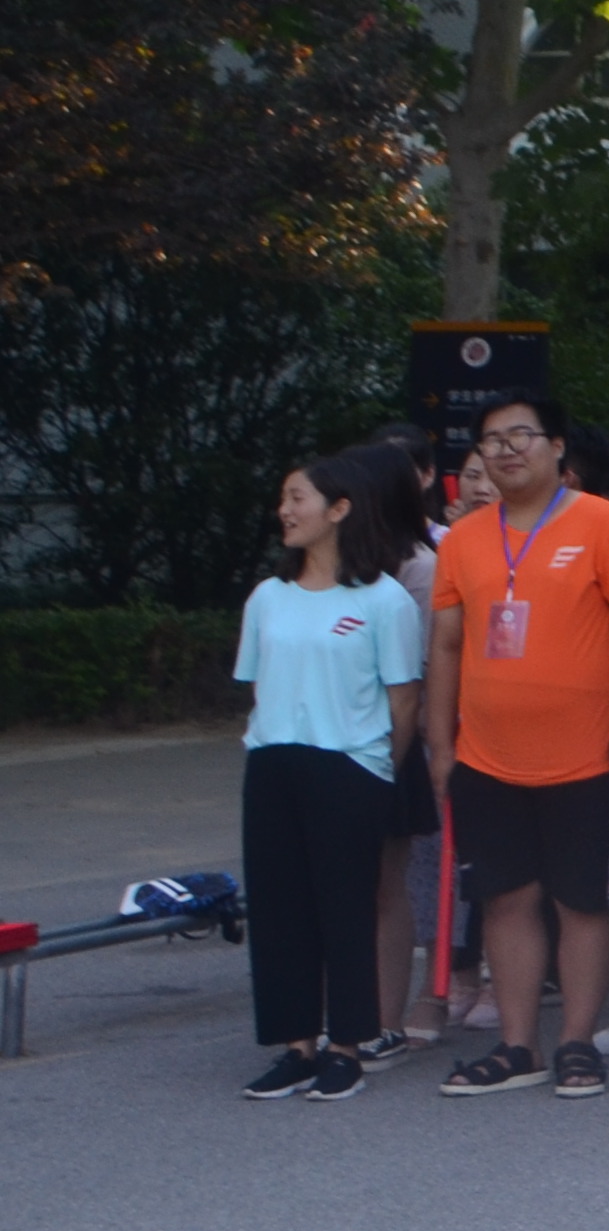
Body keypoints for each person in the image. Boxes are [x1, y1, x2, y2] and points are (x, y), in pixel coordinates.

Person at [423, 392, 609, 1095]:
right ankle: (517, 1046)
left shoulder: (604, 524)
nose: (505, 450)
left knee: (581, 901)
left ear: (557, 447)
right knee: (505, 899)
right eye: (491, 440)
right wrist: (440, 743)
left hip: (587, 754)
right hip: (486, 754)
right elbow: (445, 644)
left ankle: (578, 1042)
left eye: (520, 435)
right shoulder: (464, 538)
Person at [235, 448, 435, 1098]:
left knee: (347, 908)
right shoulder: (268, 596)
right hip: (273, 762)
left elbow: (403, 698)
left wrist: (376, 769)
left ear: (340, 509)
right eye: (283, 499)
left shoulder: (383, 599)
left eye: (297, 498)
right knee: (279, 909)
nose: (284, 511)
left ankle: (346, 1046)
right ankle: (296, 1045)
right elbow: (259, 683)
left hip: (351, 766)